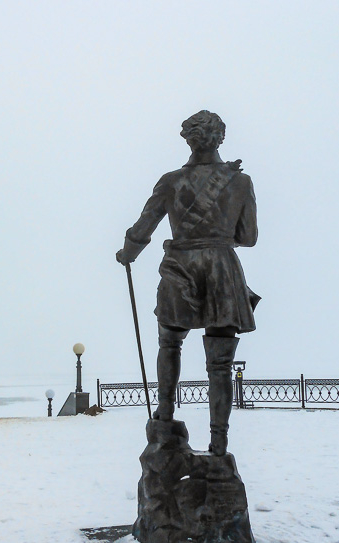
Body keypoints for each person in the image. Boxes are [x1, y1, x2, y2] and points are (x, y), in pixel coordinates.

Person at [116, 110, 259, 456]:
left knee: (169, 342)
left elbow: (143, 227)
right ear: (220, 138)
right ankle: (219, 443)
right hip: (222, 271)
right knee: (220, 363)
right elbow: (249, 237)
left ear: (188, 140)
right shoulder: (239, 182)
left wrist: (128, 253)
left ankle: (165, 417)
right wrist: (219, 237)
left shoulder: (170, 182)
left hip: (180, 268)